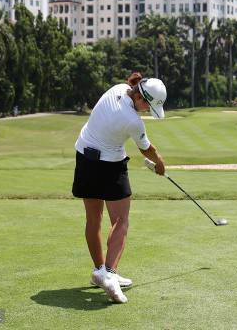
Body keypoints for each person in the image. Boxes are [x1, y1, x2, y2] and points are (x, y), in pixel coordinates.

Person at [72, 72, 167, 304]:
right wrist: (161, 163)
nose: (146, 112)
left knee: (93, 220)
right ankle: (111, 275)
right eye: (148, 108)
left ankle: (100, 272)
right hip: (109, 166)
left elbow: (129, 84)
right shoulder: (133, 121)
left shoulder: (116, 89)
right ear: (142, 100)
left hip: (84, 156)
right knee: (121, 220)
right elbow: (146, 149)